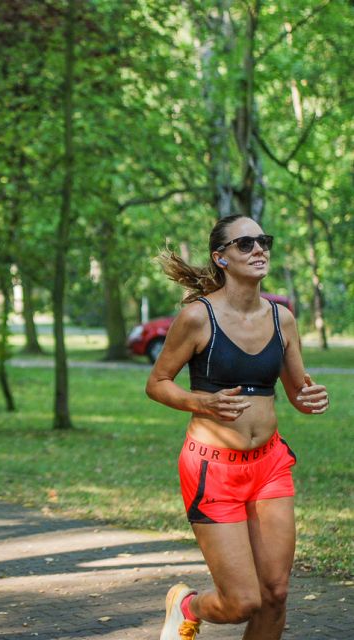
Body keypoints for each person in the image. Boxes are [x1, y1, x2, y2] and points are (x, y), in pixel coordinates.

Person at [146, 215, 329, 640]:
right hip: (213, 471)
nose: (258, 249)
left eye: (263, 240)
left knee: (276, 593)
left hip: (269, 465)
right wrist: (201, 402)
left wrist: (311, 398)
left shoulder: (282, 318)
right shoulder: (198, 317)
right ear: (221, 258)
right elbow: (156, 384)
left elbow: (297, 391)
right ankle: (186, 605)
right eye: (245, 243)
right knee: (243, 601)